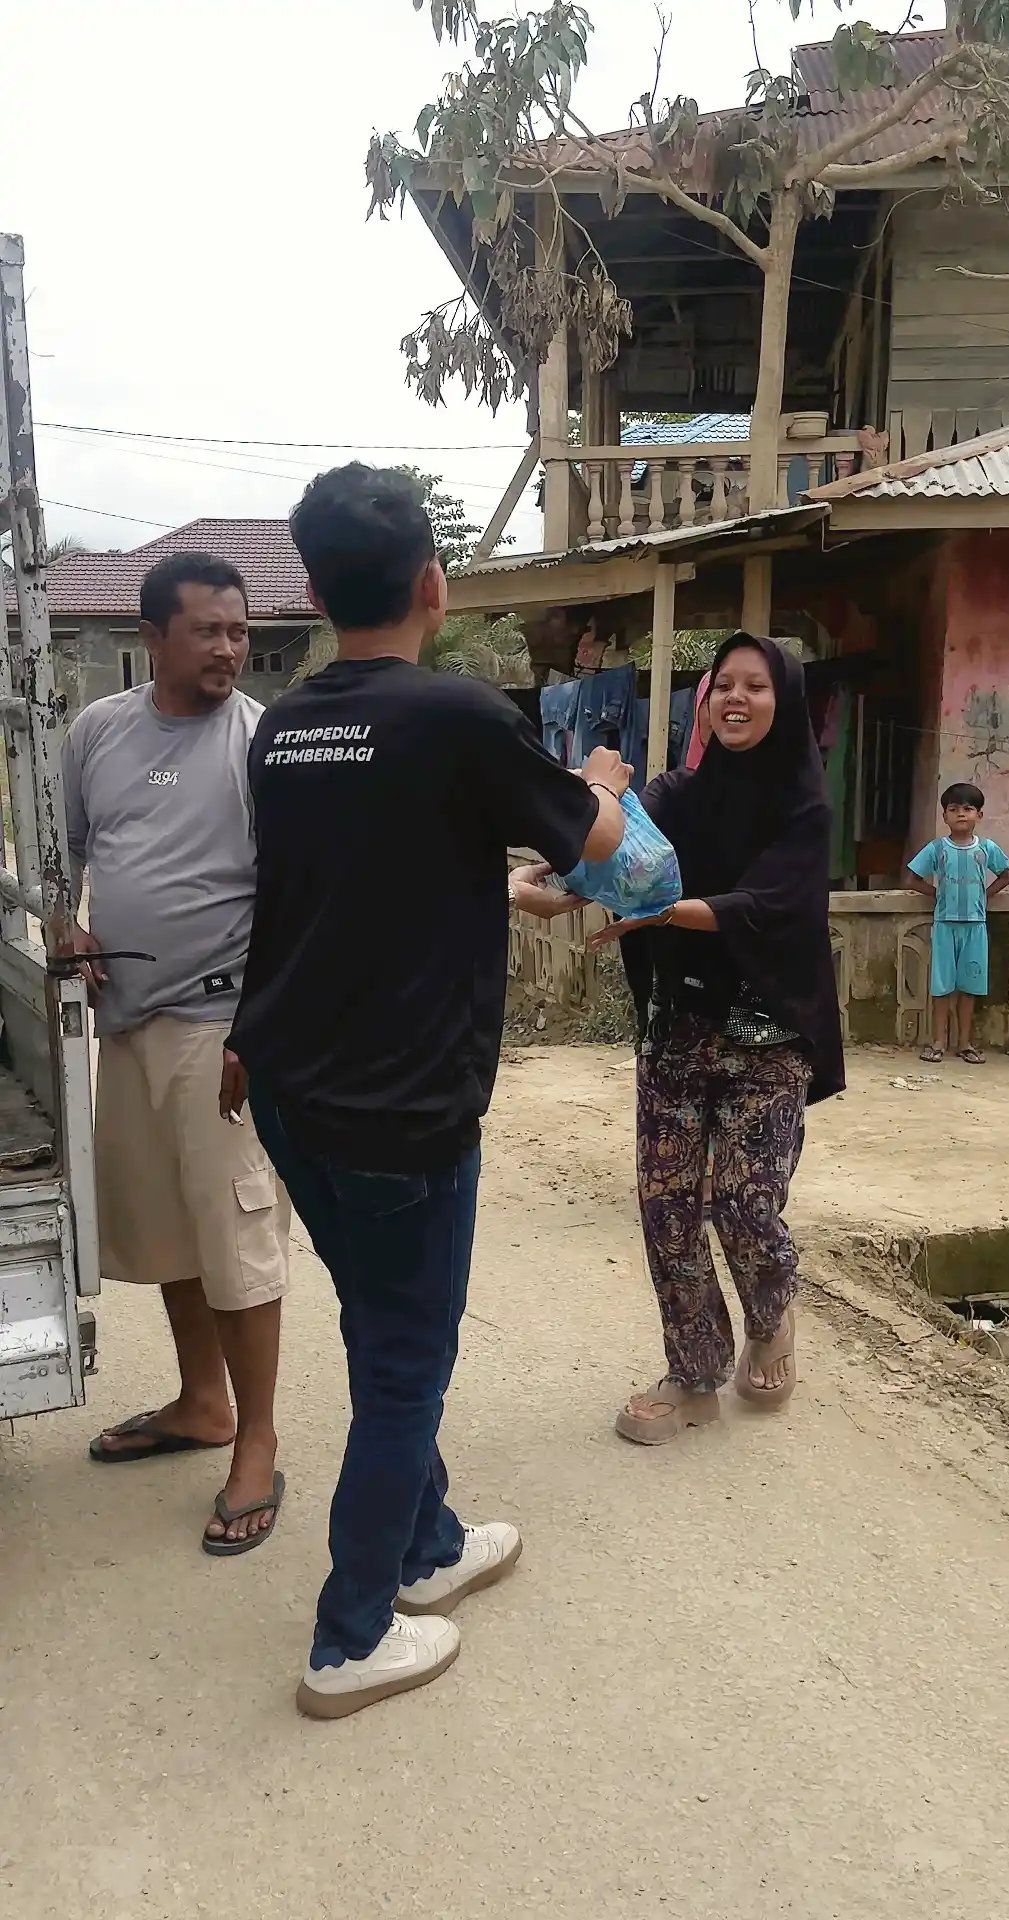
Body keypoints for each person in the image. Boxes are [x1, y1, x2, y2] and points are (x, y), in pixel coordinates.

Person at [222, 463, 629, 1718]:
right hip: (402, 1112)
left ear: (309, 588)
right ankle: (349, 1639)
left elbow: (339, 884)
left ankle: (428, 1546)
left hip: (291, 1088)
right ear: (435, 585)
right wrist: (605, 776)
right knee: (405, 1365)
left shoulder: (285, 726)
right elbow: (597, 845)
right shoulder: (456, 716)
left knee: (381, 1328)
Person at [63, 553, 290, 1555]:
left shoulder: (259, 744)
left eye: (240, 632)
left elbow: (296, 901)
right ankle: (202, 1403)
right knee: (167, 1236)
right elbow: (70, 856)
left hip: (220, 1029)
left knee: (238, 1241)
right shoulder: (96, 733)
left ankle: (257, 1443)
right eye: (208, 631)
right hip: (128, 1026)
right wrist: (66, 930)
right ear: (153, 636)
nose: (230, 649)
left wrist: (262, 1028)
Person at [588, 633, 845, 1443]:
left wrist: (661, 910)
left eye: (756, 686)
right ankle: (694, 1371)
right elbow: (615, 856)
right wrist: (551, 883)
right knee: (667, 1205)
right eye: (721, 684)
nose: (735, 698)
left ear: (786, 702)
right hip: (680, 1026)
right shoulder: (675, 792)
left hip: (768, 1034)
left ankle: (771, 1315)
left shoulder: (804, 807)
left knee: (744, 1202)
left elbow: (769, 904)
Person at [907, 783, 1009, 1066]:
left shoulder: (987, 848)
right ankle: (938, 1041)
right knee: (941, 988)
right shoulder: (937, 848)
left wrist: (984, 895)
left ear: (979, 814)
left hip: (976, 925)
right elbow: (912, 878)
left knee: (970, 988)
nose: (961, 815)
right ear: (945, 817)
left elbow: (1006, 875)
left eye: (967, 809)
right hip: (943, 924)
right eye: (953, 809)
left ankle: (965, 1042)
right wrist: (936, 893)